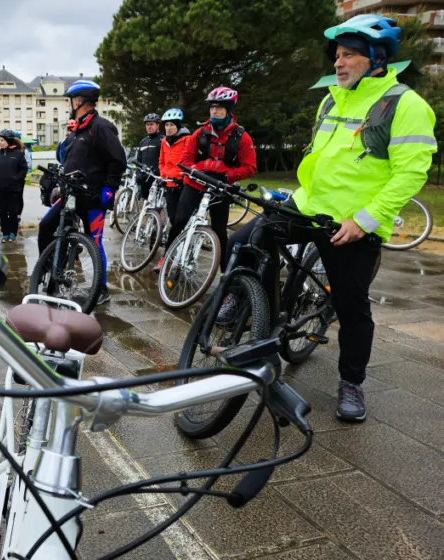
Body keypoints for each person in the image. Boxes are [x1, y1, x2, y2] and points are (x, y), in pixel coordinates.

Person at [224, 15, 436, 421]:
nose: (338, 64)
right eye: (337, 56)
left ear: (376, 59)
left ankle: (352, 383)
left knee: (352, 305)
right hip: (308, 206)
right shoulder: (331, 99)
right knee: (242, 243)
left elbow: (410, 173)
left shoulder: (405, 104)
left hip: (351, 223)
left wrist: (366, 219)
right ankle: (257, 313)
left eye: (349, 55)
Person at [38, 79, 127, 306]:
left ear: (78, 101)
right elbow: (64, 159)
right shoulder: (76, 130)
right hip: (71, 194)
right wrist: (59, 186)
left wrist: (110, 188)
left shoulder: (101, 127)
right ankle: (50, 271)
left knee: (94, 242)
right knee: (47, 226)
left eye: (70, 101)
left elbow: (118, 160)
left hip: (93, 197)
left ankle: (102, 289)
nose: (69, 105)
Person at [162, 87, 256, 272]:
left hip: (221, 187)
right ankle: (166, 258)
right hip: (196, 182)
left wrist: (227, 176)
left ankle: (225, 272)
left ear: (228, 110)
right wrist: (195, 170)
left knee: (220, 231)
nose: (214, 111)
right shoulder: (200, 133)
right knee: (179, 221)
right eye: (212, 107)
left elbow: (250, 167)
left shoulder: (241, 137)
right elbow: (185, 159)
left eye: (219, 107)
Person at [153, 108, 191, 272]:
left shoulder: (188, 140)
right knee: (174, 220)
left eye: (171, 125)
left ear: (178, 126)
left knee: (178, 222)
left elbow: (191, 161)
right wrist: (163, 175)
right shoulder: (164, 142)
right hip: (169, 185)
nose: (168, 128)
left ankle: (168, 257)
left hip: (183, 185)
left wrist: (183, 176)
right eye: (166, 125)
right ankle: (178, 245)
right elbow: (161, 161)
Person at [0, 129, 28, 242]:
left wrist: (16, 180)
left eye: (2, 140)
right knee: (2, 212)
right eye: (0, 140)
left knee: (13, 212)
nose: (0, 142)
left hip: (13, 190)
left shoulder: (18, 155)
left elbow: (23, 170)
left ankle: (12, 233)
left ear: (9, 141)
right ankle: (5, 233)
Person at [134, 113, 163, 200]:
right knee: (145, 204)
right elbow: (139, 160)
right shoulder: (143, 141)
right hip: (144, 179)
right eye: (147, 124)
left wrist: (159, 172)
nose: (149, 127)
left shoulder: (163, 140)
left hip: (156, 179)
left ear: (157, 125)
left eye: (152, 124)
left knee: (156, 207)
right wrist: (138, 172)